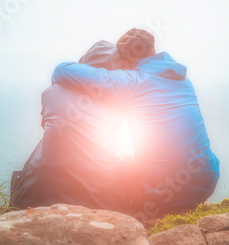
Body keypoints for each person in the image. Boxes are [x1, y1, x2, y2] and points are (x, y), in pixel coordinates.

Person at [52, 28, 220, 216]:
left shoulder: (131, 82)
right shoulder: (184, 81)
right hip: (206, 183)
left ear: (126, 59)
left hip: (163, 195)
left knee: (117, 163)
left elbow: (62, 69)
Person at [10, 41, 131, 212]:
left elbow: (53, 129)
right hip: (100, 197)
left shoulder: (51, 92)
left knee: (46, 145)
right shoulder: (119, 101)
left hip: (38, 192)